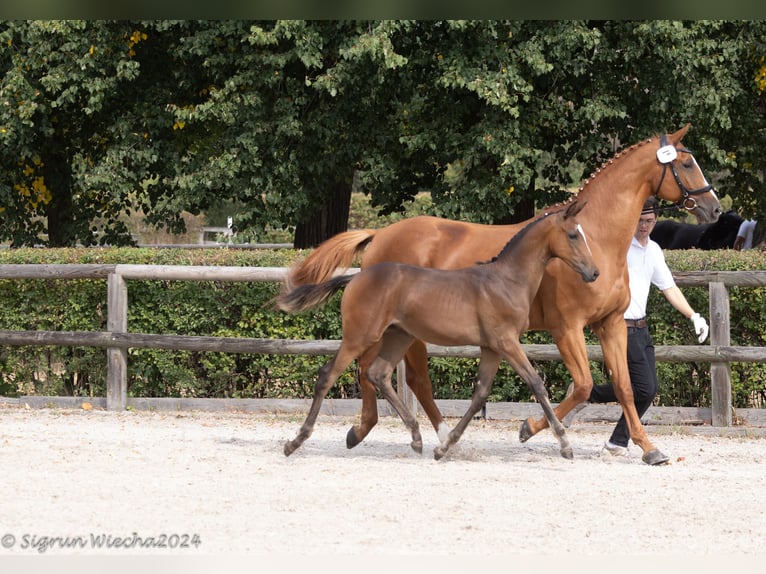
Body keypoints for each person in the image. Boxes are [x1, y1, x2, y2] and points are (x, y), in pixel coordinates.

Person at [564, 196, 710, 458]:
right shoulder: (619, 248)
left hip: (641, 327)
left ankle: (590, 402)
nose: (644, 226)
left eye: (650, 221)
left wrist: (693, 315)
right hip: (619, 325)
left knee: (647, 389)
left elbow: (669, 287)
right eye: (640, 220)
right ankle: (617, 439)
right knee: (643, 388)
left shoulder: (653, 250)